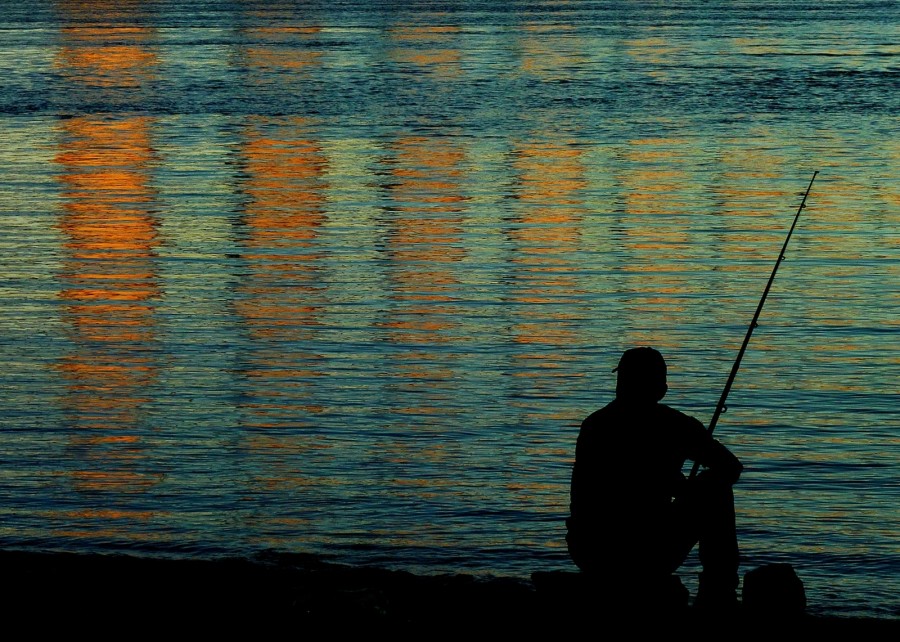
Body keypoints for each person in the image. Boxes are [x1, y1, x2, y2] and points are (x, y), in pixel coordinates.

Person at [566, 347, 743, 608]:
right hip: (647, 552)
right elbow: (730, 468)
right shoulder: (677, 425)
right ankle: (718, 593)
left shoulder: (595, 424)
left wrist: (679, 486)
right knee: (715, 492)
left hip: (589, 551)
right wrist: (686, 487)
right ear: (662, 386)